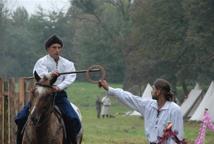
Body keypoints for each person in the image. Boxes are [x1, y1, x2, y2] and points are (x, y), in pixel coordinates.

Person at [15, 34, 81, 144]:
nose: (57, 50)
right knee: (21, 117)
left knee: (73, 118)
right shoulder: (41, 62)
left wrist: (59, 87)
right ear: (48, 49)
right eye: (54, 47)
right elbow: (41, 76)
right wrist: (51, 75)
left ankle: (71, 141)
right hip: (42, 95)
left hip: (59, 96)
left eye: (59, 47)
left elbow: (71, 77)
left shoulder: (68, 64)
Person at [98, 79, 184, 144]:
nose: (151, 91)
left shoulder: (174, 110)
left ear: (158, 92)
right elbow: (130, 98)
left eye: (153, 89)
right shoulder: (148, 105)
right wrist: (109, 89)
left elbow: (177, 135)